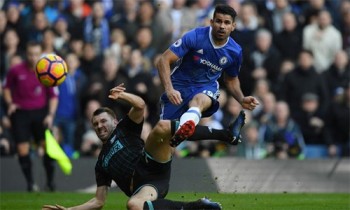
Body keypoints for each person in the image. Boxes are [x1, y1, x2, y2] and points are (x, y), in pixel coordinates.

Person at [42, 83, 244, 210]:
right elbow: (98, 201)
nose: (99, 126)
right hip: (143, 187)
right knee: (133, 205)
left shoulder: (125, 128)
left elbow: (139, 105)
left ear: (114, 120)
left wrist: (121, 96)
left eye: (103, 121)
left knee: (163, 126)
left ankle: (226, 135)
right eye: (95, 125)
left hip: (150, 164)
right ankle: (198, 207)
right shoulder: (100, 163)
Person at [156, 4, 259, 147]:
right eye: (218, 21)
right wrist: (169, 89)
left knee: (199, 100)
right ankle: (224, 134)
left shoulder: (235, 52)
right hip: (179, 87)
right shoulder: (196, 36)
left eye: (227, 22)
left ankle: (189, 123)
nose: (222, 26)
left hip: (205, 87)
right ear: (211, 22)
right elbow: (163, 60)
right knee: (166, 132)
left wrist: (241, 98)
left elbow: (231, 79)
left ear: (233, 26)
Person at [3, 41, 59, 192]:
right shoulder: (15, 70)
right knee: (22, 149)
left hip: (40, 113)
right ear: (26, 54)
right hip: (20, 114)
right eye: (30, 54)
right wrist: (10, 103)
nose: (33, 57)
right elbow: (6, 88)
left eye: (36, 54)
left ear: (40, 54)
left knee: (47, 149)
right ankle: (30, 184)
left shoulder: (45, 71)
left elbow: (53, 96)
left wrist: (50, 115)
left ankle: (50, 182)